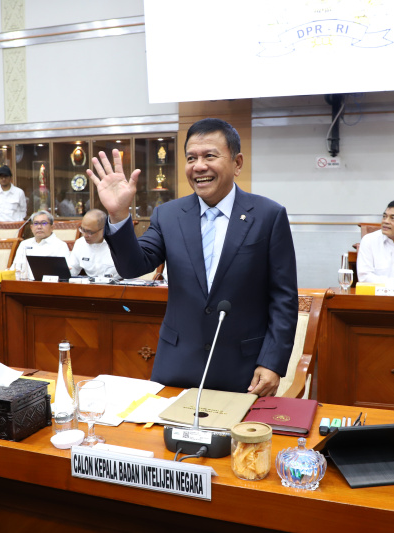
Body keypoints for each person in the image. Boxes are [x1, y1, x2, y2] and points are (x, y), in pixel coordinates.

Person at [88, 118, 298, 396]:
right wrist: (118, 215)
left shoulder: (268, 216)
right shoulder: (169, 215)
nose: (199, 166)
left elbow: (283, 297)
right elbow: (132, 266)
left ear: (237, 163)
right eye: (191, 158)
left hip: (243, 369)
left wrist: (272, 362)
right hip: (176, 365)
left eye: (210, 156)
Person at [11, 210, 74, 280]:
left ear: (52, 227)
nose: (39, 227)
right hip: (25, 284)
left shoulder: (60, 245)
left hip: (49, 286)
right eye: (36, 223)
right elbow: (14, 269)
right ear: (31, 228)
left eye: (44, 223)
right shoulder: (24, 244)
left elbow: (66, 274)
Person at [70, 209, 117, 277]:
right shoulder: (80, 243)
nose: (85, 235)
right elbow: (73, 268)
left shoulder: (118, 244)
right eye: (83, 230)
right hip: (90, 285)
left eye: (90, 232)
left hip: (117, 285)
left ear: (104, 229)